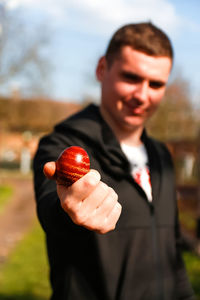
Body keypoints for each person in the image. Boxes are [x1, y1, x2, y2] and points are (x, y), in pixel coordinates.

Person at [33, 22, 195, 300]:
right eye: (131, 77)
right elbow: (52, 208)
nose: (142, 95)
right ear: (101, 69)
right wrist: (69, 208)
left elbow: (171, 253)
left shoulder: (161, 156)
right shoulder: (60, 145)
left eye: (156, 84)